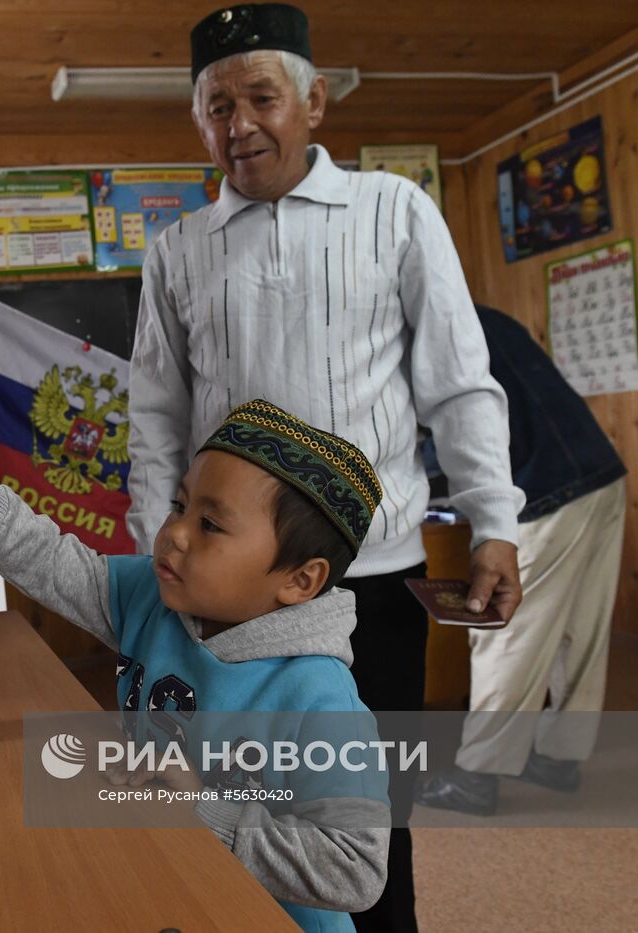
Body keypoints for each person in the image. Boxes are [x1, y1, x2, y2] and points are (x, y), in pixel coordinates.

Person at [125, 6, 526, 930]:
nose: (239, 126)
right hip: (233, 584)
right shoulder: (177, 250)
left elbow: (460, 383)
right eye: (216, 107)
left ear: (314, 101)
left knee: (374, 807)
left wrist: (494, 521)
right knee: (224, 792)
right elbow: (155, 413)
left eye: (261, 98)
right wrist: (162, 545)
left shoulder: (396, 211)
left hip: (375, 576)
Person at [0, 400, 391, 933]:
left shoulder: (320, 698)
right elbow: (50, 560)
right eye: (180, 507)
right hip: (174, 880)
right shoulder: (153, 596)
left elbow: (355, 869)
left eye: (211, 525)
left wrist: (203, 810)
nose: (174, 532)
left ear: (299, 580)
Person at [415, 305, 628, 815]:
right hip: (599, 472)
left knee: (506, 630)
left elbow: (452, 431)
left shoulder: (427, 333)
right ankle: (558, 757)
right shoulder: (484, 316)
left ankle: (477, 775)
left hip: (540, 488)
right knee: (580, 631)